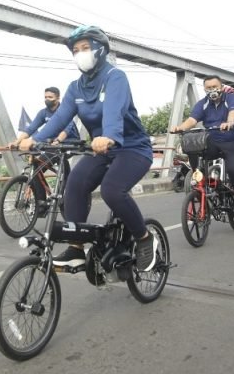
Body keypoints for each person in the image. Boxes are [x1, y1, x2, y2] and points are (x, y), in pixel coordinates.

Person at [17, 25, 157, 271]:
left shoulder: (115, 77)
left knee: (112, 191)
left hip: (132, 148)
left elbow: (114, 111)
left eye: (85, 48)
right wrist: (33, 139)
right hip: (100, 150)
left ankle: (144, 238)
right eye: (75, 50)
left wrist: (109, 136)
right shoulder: (75, 87)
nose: (80, 53)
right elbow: (60, 118)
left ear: (100, 50)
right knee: (74, 186)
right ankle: (76, 248)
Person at [171, 75, 234, 223]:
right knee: (193, 146)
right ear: (204, 89)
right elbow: (193, 119)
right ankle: (199, 181)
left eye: (215, 86)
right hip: (214, 140)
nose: (212, 90)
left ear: (221, 87)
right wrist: (180, 128)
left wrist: (229, 122)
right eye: (208, 88)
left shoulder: (231, 98)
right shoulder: (203, 104)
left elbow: (233, 112)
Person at [11, 87, 80, 146]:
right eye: (45, 97)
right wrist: (17, 142)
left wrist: (58, 140)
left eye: (50, 97)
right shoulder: (43, 113)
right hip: (53, 140)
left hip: (70, 140)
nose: (47, 99)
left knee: (45, 158)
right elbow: (30, 129)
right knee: (35, 157)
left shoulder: (65, 111)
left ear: (58, 98)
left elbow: (66, 130)